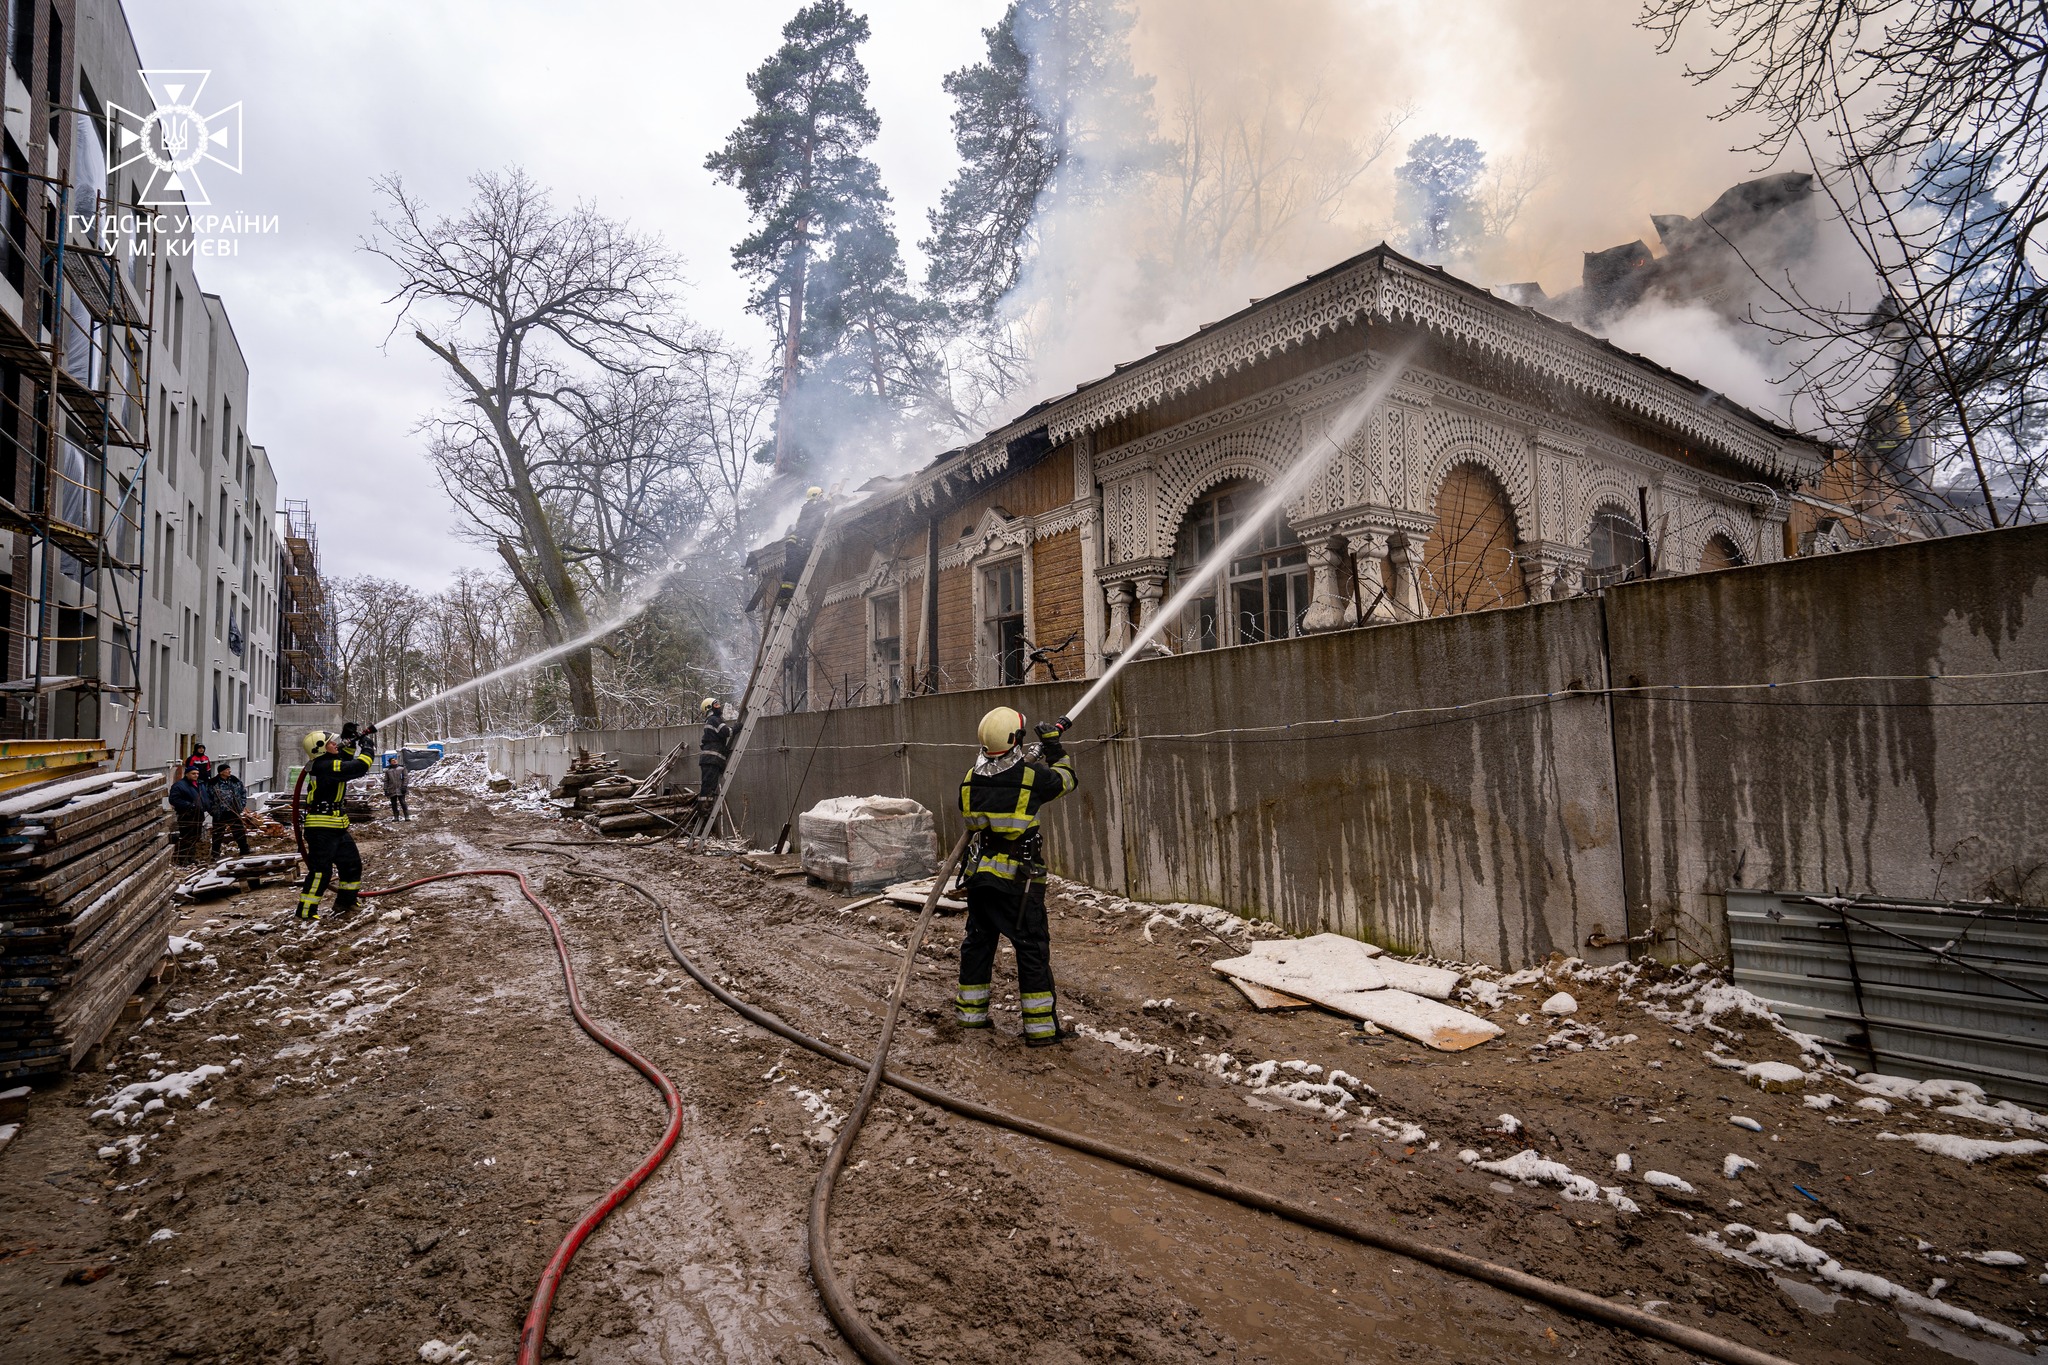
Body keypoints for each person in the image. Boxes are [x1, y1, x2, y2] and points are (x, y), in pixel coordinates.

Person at [954, 707, 1077, 1047]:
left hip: (980, 880)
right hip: (1019, 884)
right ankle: (1040, 1031)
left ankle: (970, 1015)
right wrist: (1053, 748)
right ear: (1017, 739)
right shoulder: (1032, 778)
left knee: (978, 945)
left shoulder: (969, 779)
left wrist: (1026, 761)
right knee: (1031, 950)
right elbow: (1067, 780)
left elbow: (978, 820)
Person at [296, 726, 375, 922]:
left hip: (336, 825)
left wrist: (350, 738)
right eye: (331, 743)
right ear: (320, 749)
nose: (335, 744)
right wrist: (368, 747)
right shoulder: (325, 766)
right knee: (321, 871)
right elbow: (358, 767)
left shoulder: (328, 762)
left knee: (351, 864)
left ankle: (346, 902)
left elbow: (345, 759)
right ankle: (305, 911)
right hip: (322, 828)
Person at [774, 486, 828, 607]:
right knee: (792, 569)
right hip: (796, 543)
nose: (822, 498)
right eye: (821, 496)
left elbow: (819, 520)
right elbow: (820, 507)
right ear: (816, 496)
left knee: (795, 569)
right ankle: (784, 597)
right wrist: (831, 500)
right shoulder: (809, 506)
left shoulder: (812, 510)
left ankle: (786, 596)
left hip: (800, 543)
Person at [206, 762, 250, 861]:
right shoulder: (213, 783)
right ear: (221, 772)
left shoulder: (235, 781)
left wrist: (241, 805)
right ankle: (215, 854)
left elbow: (243, 793)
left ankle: (244, 849)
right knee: (218, 833)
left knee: (239, 831)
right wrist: (212, 810)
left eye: (229, 769)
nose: (229, 771)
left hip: (233, 811)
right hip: (219, 812)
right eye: (227, 770)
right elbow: (208, 798)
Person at [697, 698, 733, 807]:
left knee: (710, 786)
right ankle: (704, 809)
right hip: (711, 760)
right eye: (716, 705)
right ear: (709, 708)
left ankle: (706, 807)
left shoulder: (713, 720)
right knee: (708, 787)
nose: (719, 707)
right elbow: (725, 732)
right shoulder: (713, 719)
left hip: (712, 760)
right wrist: (735, 728)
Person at [167, 767, 207, 865]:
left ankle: (190, 857)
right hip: (187, 815)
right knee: (187, 837)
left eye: (197, 773)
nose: (196, 775)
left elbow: (205, 797)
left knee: (195, 837)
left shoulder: (199, 784)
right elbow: (174, 799)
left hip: (198, 814)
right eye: (193, 773)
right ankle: (183, 859)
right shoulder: (179, 786)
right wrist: (190, 805)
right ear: (187, 774)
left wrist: (207, 805)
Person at [383, 753, 411, 821]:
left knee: (403, 802)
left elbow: (406, 778)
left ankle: (406, 816)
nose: (394, 761)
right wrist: (385, 789)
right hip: (392, 789)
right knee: (393, 804)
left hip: (401, 789)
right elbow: (386, 781)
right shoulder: (388, 771)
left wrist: (404, 786)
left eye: (395, 760)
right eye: (392, 760)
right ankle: (396, 817)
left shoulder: (402, 769)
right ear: (390, 762)